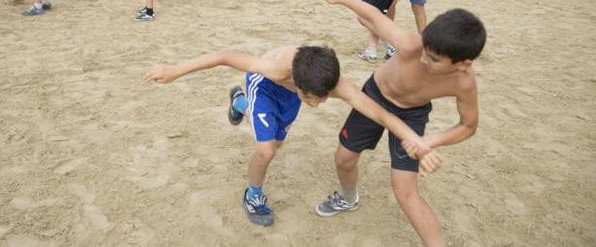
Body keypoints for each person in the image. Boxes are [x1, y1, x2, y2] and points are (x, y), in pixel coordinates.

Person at [145, 45, 441, 227]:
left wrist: (415, 141)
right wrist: (175, 70)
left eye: (320, 100)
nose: (314, 104)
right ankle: (253, 196)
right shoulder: (276, 68)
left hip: (288, 98)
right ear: (297, 82)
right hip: (265, 87)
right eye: (310, 98)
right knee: (266, 150)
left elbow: (377, 111)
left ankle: (239, 103)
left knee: (276, 143)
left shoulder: (332, 82)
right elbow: (224, 56)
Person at [317, 0, 485, 247]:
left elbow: (468, 125)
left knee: (405, 191)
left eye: (434, 59)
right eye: (425, 50)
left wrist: (429, 142)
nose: (423, 58)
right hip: (374, 97)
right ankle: (349, 198)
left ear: (463, 63)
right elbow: (373, 15)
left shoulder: (463, 82)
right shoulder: (412, 45)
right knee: (344, 158)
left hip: (412, 115)